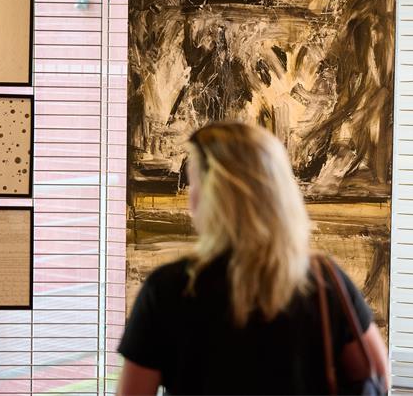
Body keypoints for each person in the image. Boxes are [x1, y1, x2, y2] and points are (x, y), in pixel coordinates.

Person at [118, 122, 388, 395]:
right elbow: (376, 378)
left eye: (195, 184)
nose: (190, 200)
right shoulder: (324, 282)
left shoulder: (168, 289)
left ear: (216, 197)